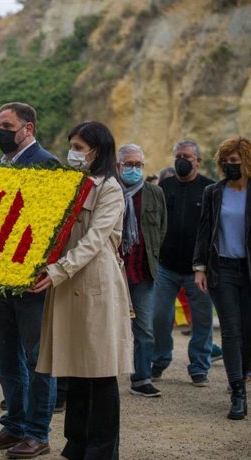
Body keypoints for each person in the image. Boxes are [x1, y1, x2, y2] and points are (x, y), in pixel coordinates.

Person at [31, 121, 133, 459]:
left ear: (97, 151)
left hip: (94, 284)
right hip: (66, 281)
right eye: (71, 145)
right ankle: (76, 444)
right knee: (74, 369)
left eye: (79, 147)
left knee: (100, 373)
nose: (73, 153)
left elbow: (95, 240)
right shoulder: (70, 185)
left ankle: (102, 450)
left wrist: (59, 270)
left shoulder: (110, 188)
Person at [0, 102, 59, 459]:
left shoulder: (47, 164)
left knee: (38, 359)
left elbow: (52, 228)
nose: (1, 131)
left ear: (28, 129)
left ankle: (37, 432)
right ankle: (15, 424)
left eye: (7, 125)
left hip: (30, 283)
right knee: (4, 355)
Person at [193, 136, 251, 420]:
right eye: (226, 162)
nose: (230, 166)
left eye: (235, 162)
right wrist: (200, 267)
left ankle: (243, 372)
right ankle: (237, 391)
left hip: (248, 269)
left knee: (247, 330)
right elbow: (204, 231)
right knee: (230, 330)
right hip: (222, 268)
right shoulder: (214, 192)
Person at [152, 140, 215, 386]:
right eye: (178, 155)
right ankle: (159, 359)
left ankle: (199, 367)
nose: (181, 160)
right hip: (165, 267)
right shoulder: (164, 187)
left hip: (198, 270)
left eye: (187, 156)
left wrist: (207, 265)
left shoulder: (210, 189)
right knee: (159, 316)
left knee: (202, 320)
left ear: (197, 161)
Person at [117, 144, 167, 397]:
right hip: (114, 273)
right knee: (108, 327)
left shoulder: (154, 193)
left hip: (143, 271)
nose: (134, 169)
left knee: (144, 328)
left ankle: (141, 378)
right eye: (129, 164)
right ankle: (100, 377)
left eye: (138, 164)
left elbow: (161, 228)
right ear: (118, 166)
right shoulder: (109, 190)